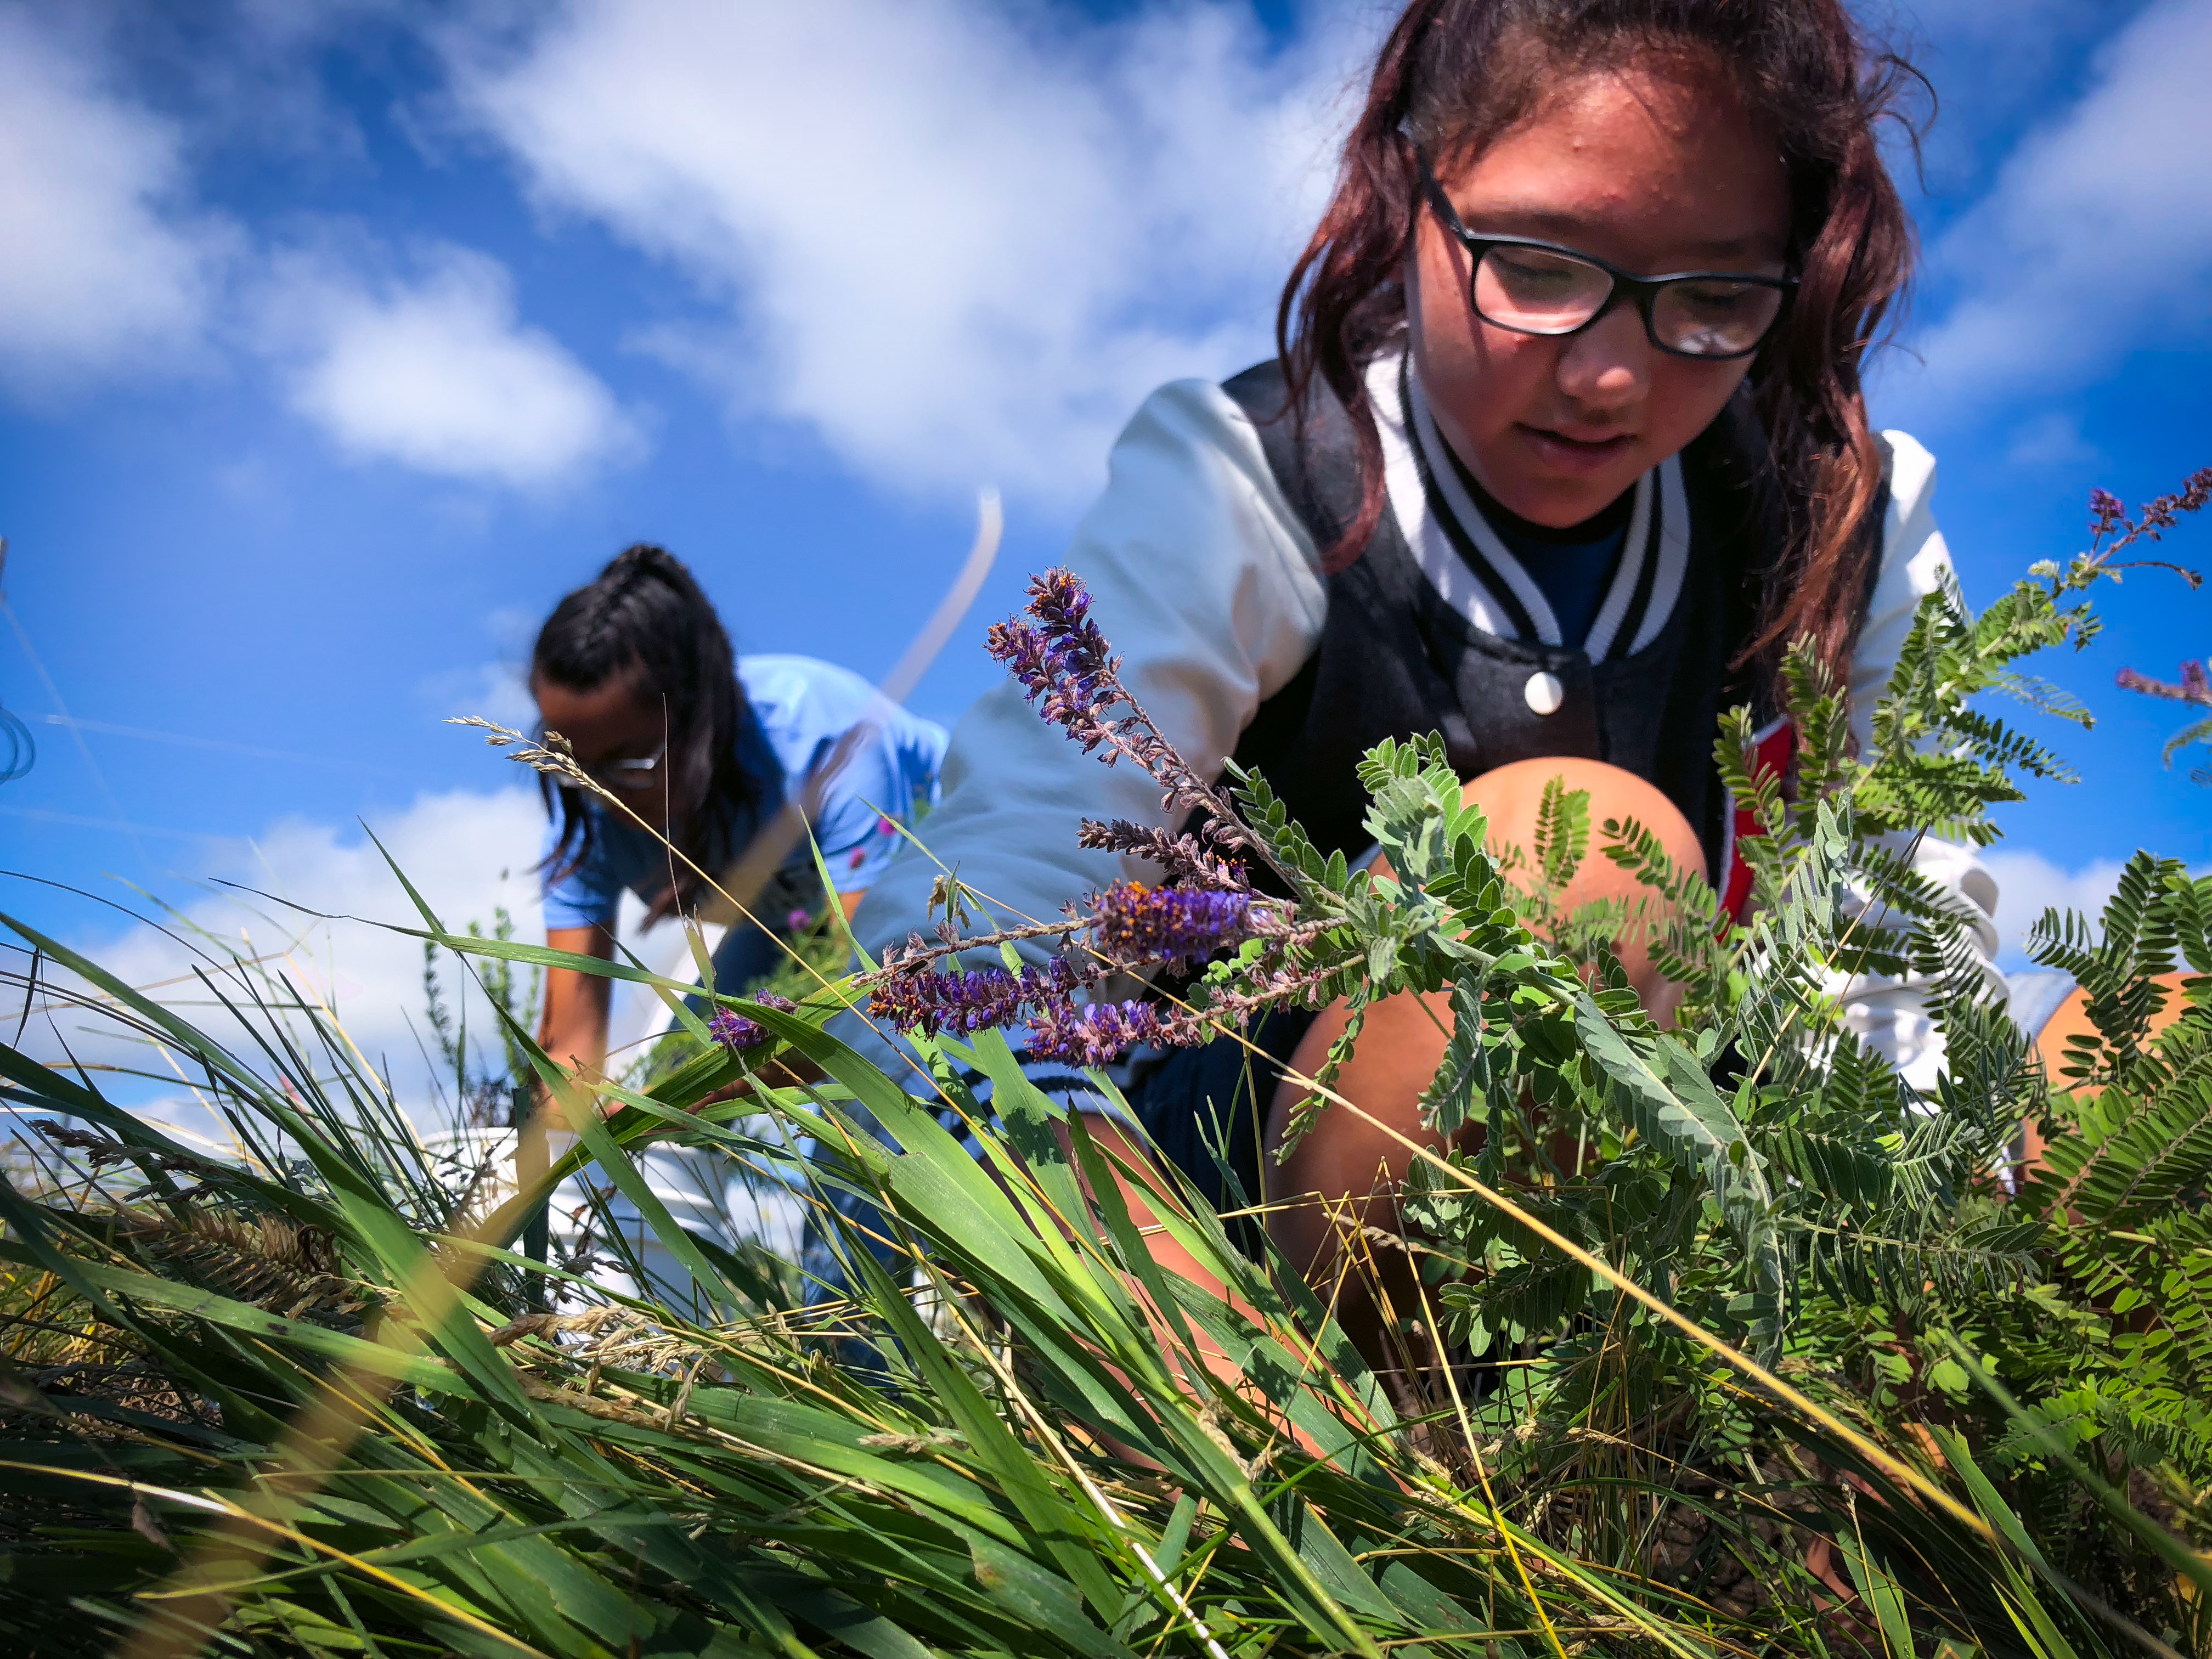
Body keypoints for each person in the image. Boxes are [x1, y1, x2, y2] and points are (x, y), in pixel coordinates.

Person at [838, 0, 2001, 1351]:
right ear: (1410, 189)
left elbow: (1905, 977)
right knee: (1572, 869)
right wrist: (1167, 1322)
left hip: (1700, 1220)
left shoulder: (1849, 520)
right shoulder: (1251, 478)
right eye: (1540, 263)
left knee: (2162, 1002)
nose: (1614, 372)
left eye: (1717, 295)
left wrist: (1897, 1309)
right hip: (1230, 1232)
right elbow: (951, 952)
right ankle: (1418, 1488)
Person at [531, 544, 947, 1084]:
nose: (597, 794)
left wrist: (687, 1106)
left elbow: (876, 1006)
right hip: (789, 919)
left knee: (890, 1087)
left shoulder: (832, 747)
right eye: (568, 760)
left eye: (629, 764)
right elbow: (567, 1049)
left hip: (936, 873)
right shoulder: (584, 815)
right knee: (681, 1064)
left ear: (701, 720)